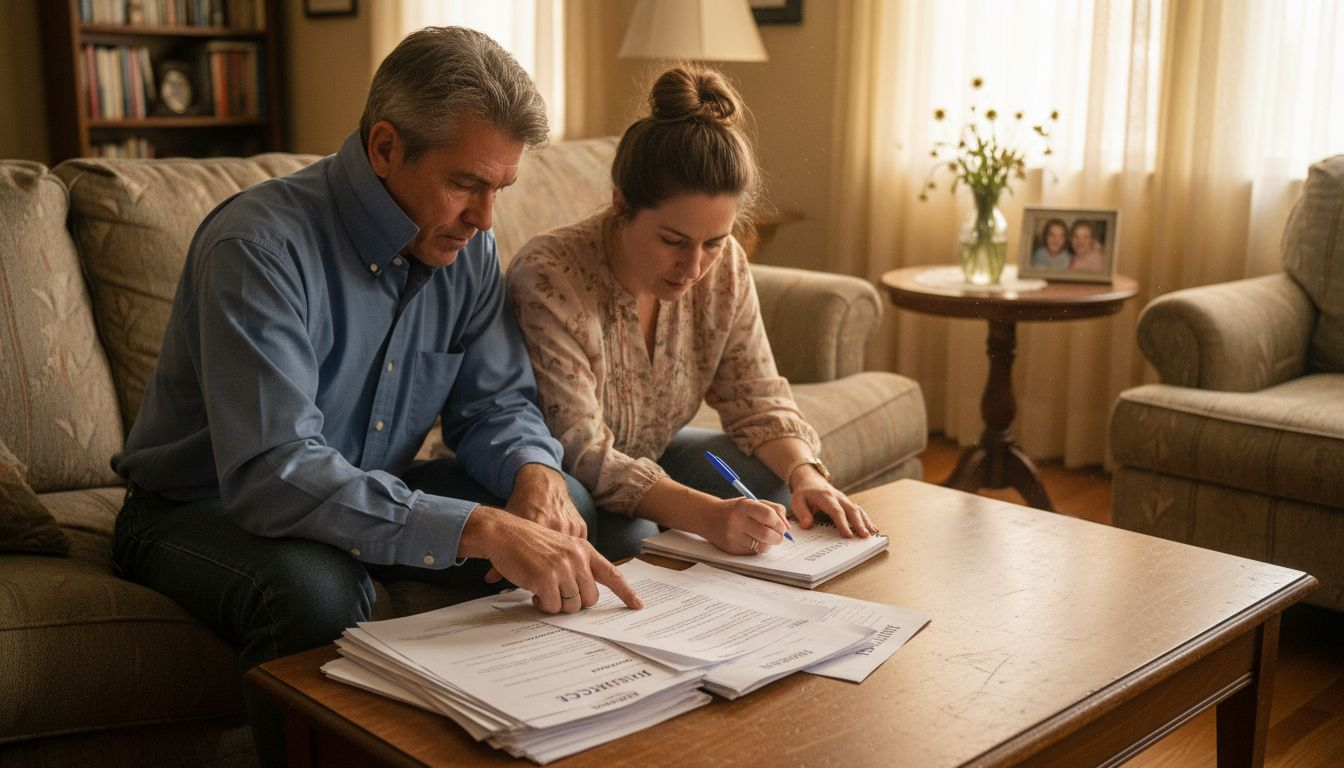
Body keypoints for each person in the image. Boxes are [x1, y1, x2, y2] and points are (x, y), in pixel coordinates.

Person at [110, 27, 648, 767]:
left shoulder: (469, 248)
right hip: (200, 507)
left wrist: (535, 476)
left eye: (501, 190)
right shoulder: (259, 248)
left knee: (569, 518)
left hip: (370, 481)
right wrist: (483, 531)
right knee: (317, 593)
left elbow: (495, 406)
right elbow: (275, 472)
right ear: (386, 147)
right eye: (467, 184)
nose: (487, 218)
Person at [505, 66, 878, 559]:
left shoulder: (725, 269)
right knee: (633, 540)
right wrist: (708, 516)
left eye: (714, 243)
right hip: (566, 478)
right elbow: (583, 452)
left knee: (780, 490)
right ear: (620, 203)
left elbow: (755, 394)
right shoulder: (550, 277)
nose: (694, 267)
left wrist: (806, 473)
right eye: (673, 241)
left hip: (653, 454)